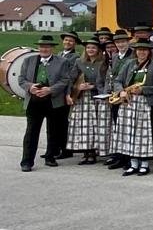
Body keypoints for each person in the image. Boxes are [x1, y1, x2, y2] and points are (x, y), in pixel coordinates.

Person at [111, 40, 153, 176]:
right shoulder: (129, 64)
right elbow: (117, 80)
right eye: (139, 50)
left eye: (144, 50)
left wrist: (143, 90)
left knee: (144, 135)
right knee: (129, 133)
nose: (141, 52)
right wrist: (121, 91)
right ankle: (133, 163)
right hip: (128, 103)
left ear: (149, 52)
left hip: (146, 104)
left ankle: (145, 164)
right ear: (136, 51)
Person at [19, 35, 72, 171]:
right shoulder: (28, 61)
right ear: (38, 47)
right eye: (42, 46)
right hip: (34, 101)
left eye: (47, 47)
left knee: (53, 130)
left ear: (52, 48)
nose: (44, 49)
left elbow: (65, 80)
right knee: (31, 131)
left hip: (53, 101)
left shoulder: (62, 62)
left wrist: (50, 90)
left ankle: (50, 157)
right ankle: (27, 161)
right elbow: (21, 79)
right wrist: (30, 87)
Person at [66, 39, 110, 165]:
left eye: (93, 48)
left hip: (96, 97)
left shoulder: (103, 63)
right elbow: (72, 78)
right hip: (81, 97)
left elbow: (105, 81)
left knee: (94, 126)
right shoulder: (79, 62)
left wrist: (94, 87)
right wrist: (76, 88)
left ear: (98, 50)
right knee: (82, 125)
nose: (91, 50)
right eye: (88, 48)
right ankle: (85, 151)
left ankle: (92, 152)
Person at [105, 30, 134, 169]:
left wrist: (124, 90)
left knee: (128, 128)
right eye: (118, 42)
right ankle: (120, 156)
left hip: (129, 95)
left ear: (128, 42)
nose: (120, 44)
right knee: (118, 127)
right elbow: (111, 76)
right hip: (117, 95)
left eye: (123, 42)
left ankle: (129, 158)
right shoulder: (115, 56)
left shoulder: (133, 56)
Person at [54, 30, 81, 159]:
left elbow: (70, 77)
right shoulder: (59, 54)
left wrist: (68, 92)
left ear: (74, 43)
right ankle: (54, 148)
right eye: (66, 40)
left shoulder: (75, 57)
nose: (67, 42)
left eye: (71, 41)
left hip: (65, 91)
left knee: (63, 121)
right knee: (55, 122)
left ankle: (66, 149)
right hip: (55, 92)